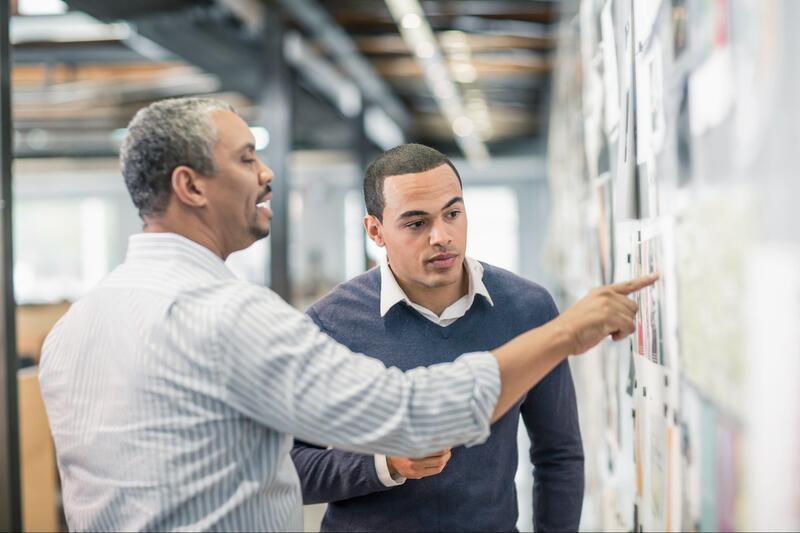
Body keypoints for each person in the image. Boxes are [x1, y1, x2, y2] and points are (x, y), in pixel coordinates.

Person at [38, 97, 656, 532]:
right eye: (247, 157)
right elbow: (413, 413)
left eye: (453, 212)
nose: (268, 171)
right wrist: (564, 333)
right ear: (191, 187)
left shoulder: (73, 332)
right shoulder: (235, 317)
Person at [292, 144, 582, 532]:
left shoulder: (527, 308)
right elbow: (285, 469)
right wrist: (383, 466)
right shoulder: (329, 323)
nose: (441, 236)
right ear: (375, 231)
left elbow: (558, 454)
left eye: (453, 213)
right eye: (416, 223)